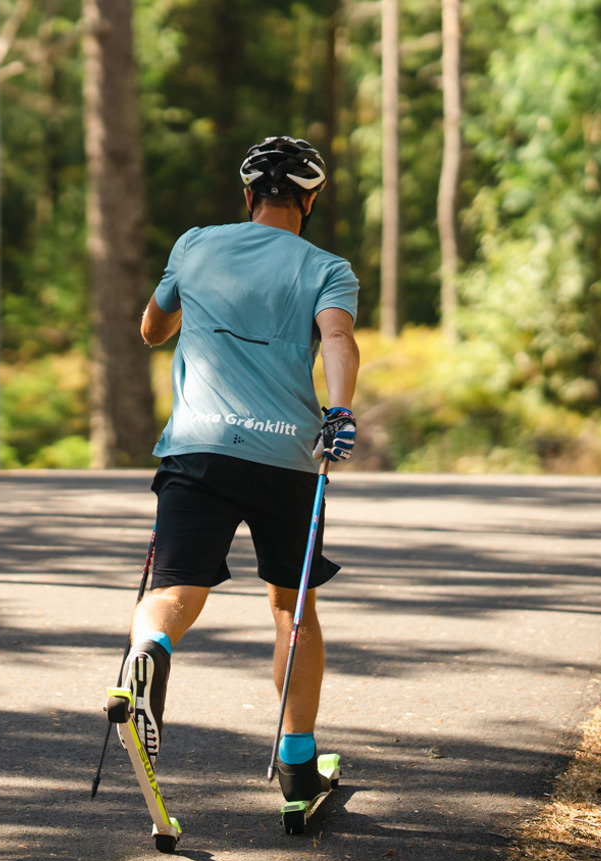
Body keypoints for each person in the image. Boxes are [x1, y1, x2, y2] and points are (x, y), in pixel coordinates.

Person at [124, 135, 361, 815]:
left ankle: (150, 650)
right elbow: (339, 339)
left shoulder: (195, 244)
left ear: (248, 193)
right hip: (287, 456)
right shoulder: (327, 266)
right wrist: (339, 410)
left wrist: (173, 317)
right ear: (310, 199)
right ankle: (296, 769)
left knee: (177, 588)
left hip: (196, 449)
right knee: (293, 610)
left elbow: (151, 327)